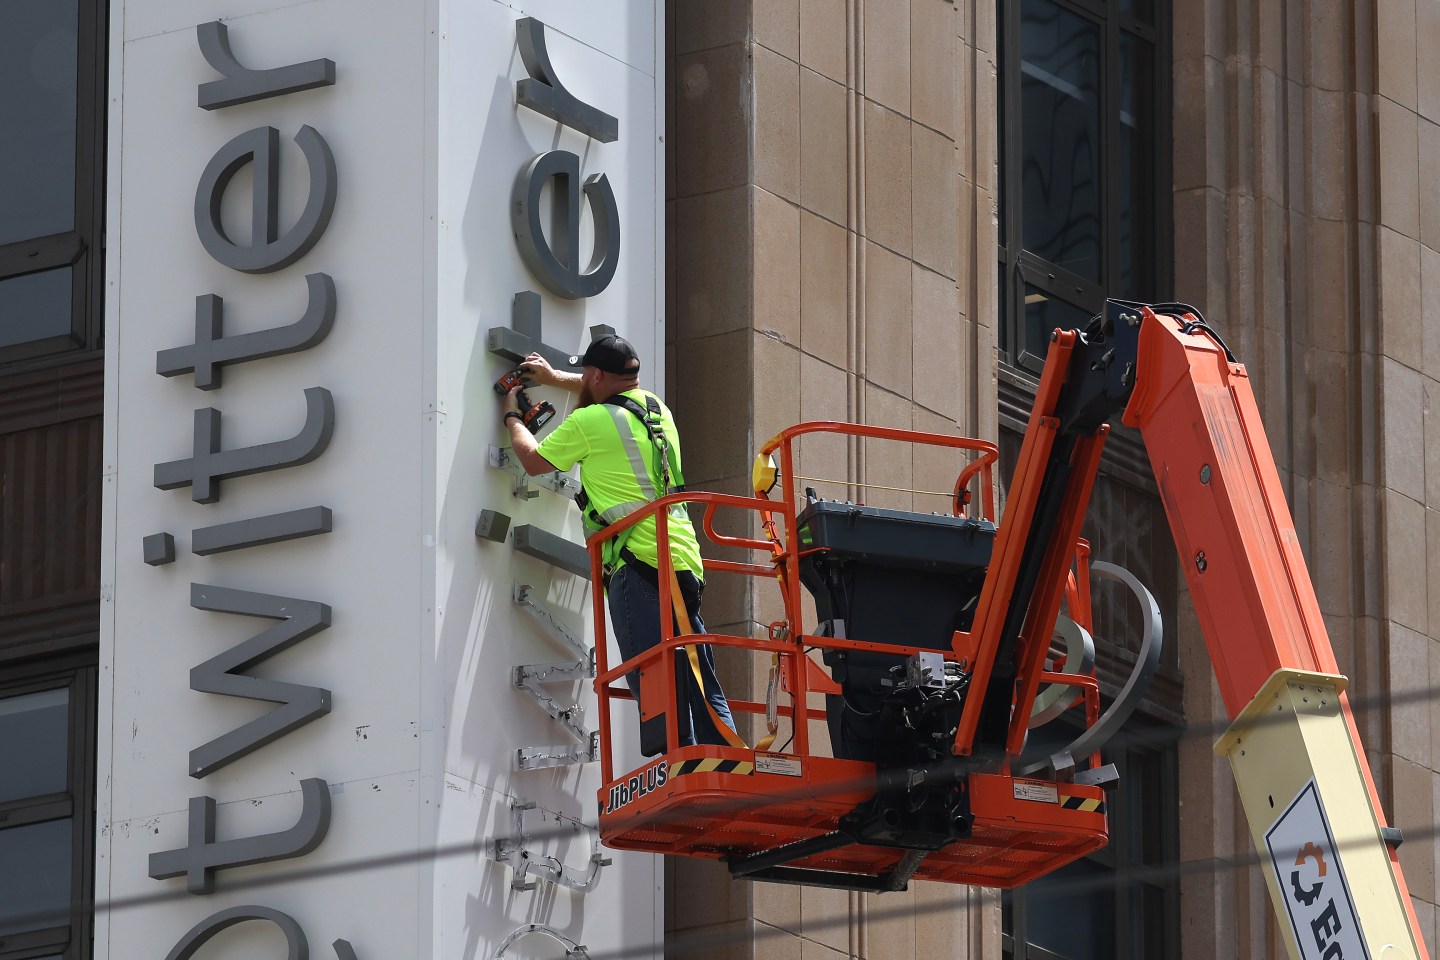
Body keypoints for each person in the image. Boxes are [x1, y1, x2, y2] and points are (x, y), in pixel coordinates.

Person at [500, 335, 737, 756]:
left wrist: (513, 419)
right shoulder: (656, 409)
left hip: (634, 560)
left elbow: (534, 461)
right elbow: (608, 393)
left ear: (595, 374)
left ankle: (680, 762)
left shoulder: (588, 423)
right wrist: (555, 378)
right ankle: (725, 754)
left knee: (653, 674)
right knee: (697, 669)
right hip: (681, 556)